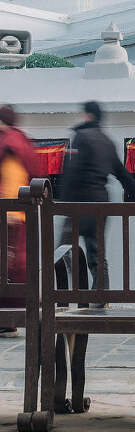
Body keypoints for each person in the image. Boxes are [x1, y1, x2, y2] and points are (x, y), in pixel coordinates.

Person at [59, 101, 135, 294]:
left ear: (88, 115)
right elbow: (121, 172)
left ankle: (72, 290)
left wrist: (63, 203)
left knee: (61, 249)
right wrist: (134, 191)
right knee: (97, 254)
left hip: (79, 205)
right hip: (100, 205)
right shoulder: (107, 141)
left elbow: (73, 171)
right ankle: (100, 297)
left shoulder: (81, 137)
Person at [0, 105, 37, 337]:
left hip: (5, 211)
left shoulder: (5, 140)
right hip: (20, 213)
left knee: (6, 268)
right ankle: (14, 317)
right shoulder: (22, 140)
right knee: (15, 267)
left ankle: (6, 319)